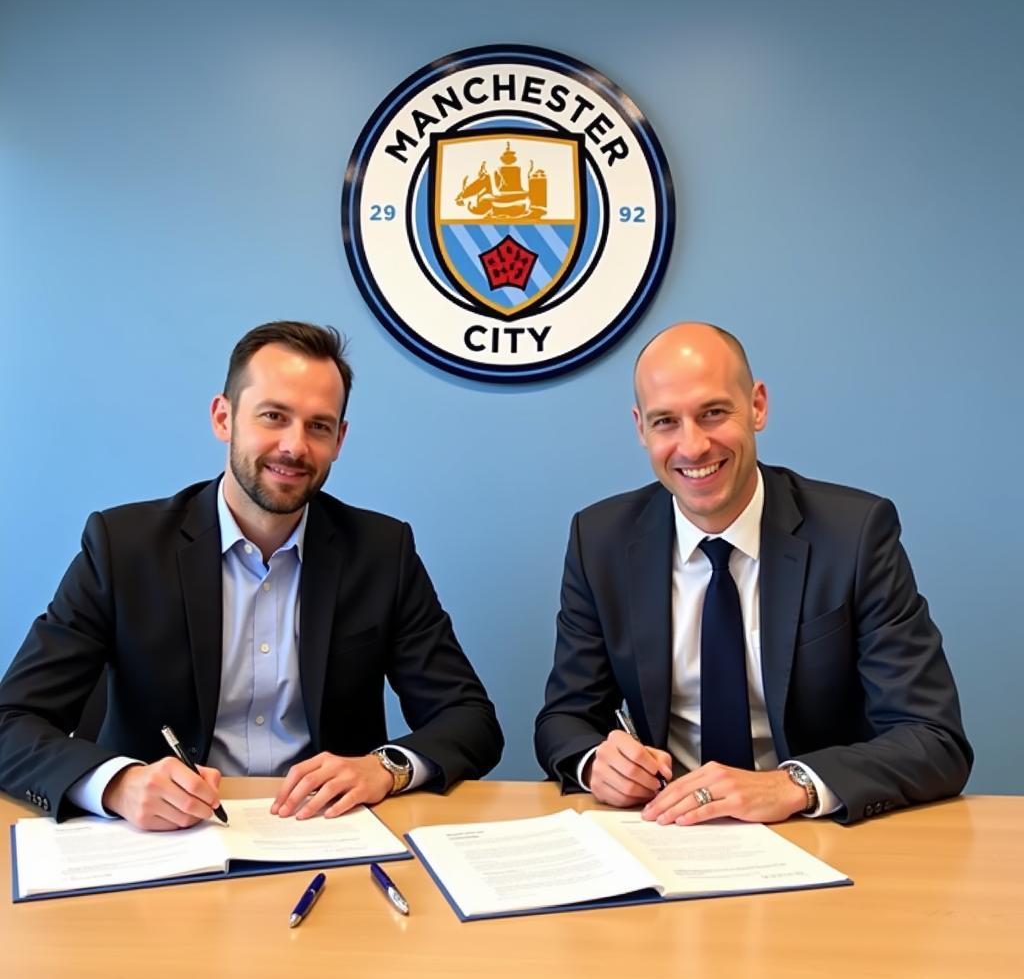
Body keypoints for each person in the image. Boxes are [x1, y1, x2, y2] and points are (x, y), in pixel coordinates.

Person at [0, 321, 502, 829]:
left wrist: (385, 768)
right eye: (273, 416)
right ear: (224, 417)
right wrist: (118, 784)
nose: (294, 446)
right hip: (163, 843)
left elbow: (471, 720)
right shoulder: (122, 547)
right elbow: (10, 724)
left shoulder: (381, 551)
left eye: (318, 426)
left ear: (339, 440)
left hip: (325, 834)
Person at [534, 322, 971, 825]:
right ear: (641, 428)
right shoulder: (601, 539)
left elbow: (934, 738)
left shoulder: (855, 535)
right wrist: (596, 763)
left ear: (757, 406)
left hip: (816, 832)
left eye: (713, 413)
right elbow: (564, 719)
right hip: (666, 832)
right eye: (665, 422)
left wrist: (793, 785)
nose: (693, 446)